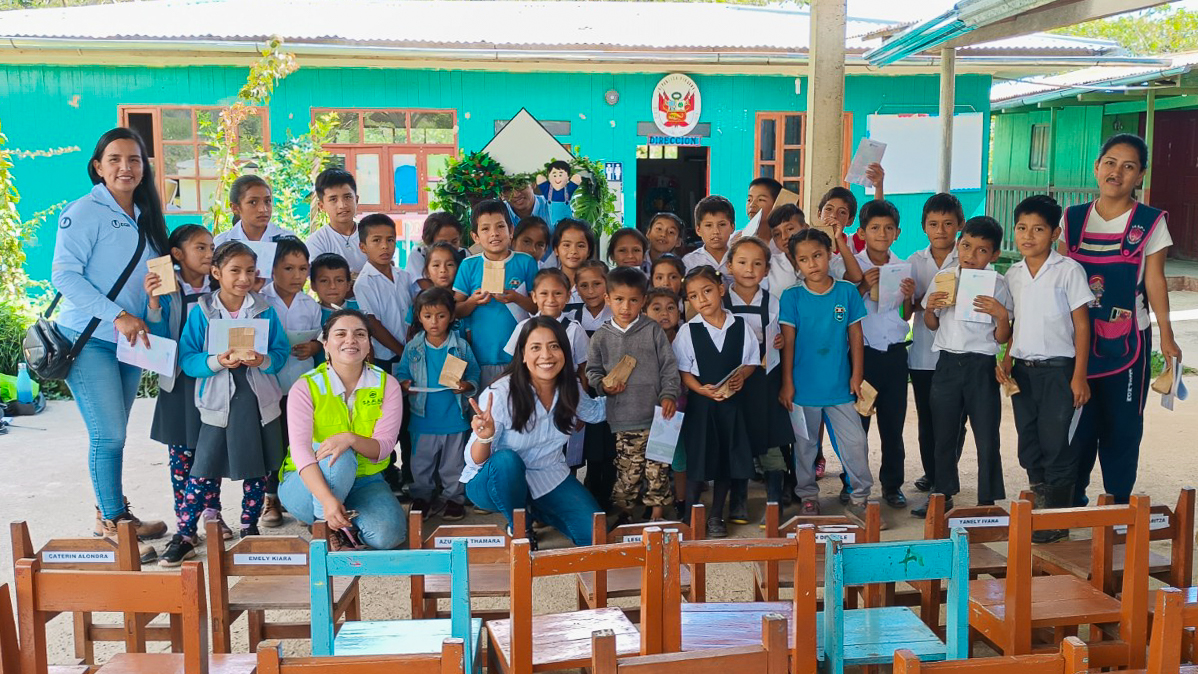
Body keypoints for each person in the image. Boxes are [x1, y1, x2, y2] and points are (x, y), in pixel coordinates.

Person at [52, 127, 170, 562]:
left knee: (116, 435)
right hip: (89, 340)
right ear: (98, 167)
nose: (126, 167)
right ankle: (112, 524)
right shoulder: (83, 212)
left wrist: (151, 310)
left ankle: (117, 513)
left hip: (130, 343)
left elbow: (153, 297)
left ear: (144, 168)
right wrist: (117, 314)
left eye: (135, 159)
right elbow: (64, 275)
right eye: (115, 159)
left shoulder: (148, 216)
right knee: (110, 434)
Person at [1063, 134, 1183, 506]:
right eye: (1111, 163)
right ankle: (1072, 501)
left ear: (1140, 176)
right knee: (1078, 425)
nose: (1117, 172)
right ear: (1097, 167)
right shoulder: (1073, 218)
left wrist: (1167, 335)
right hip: (1078, 340)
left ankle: (1117, 505)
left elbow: (1155, 280)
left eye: (1129, 166)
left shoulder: (1150, 222)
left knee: (1123, 427)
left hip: (1129, 342)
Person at [170, 241, 290, 563]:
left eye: (249, 271)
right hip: (217, 403)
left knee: (257, 468)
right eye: (234, 270)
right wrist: (216, 361)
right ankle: (184, 533)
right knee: (203, 469)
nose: (243, 278)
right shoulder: (202, 312)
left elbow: (280, 355)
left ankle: (249, 529)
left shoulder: (265, 310)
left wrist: (263, 360)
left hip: (257, 401)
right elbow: (188, 357)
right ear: (216, 272)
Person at [462, 317, 607, 547]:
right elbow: (475, 460)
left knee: (596, 536)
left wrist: (636, 391)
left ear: (564, 351)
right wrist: (485, 436)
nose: (546, 355)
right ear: (522, 354)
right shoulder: (500, 393)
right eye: (536, 348)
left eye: (554, 346)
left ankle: (536, 509)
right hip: (494, 481)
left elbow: (597, 412)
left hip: (548, 475)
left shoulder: (571, 388)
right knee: (507, 461)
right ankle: (520, 527)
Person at [1000, 195, 1093, 543]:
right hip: (1023, 372)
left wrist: (1079, 375)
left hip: (1059, 371)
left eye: (1038, 229)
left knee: (1058, 444)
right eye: (1022, 228)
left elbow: (1082, 326)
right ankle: (1038, 509)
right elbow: (1015, 321)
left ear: (1054, 233)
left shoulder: (1068, 270)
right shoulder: (1013, 273)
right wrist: (1007, 358)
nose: (1028, 236)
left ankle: (1056, 520)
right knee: (1030, 442)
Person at [279, 309, 408, 550]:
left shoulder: (386, 384)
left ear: (369, 345)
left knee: (388, 537)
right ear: (325, 344)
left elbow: (384, 448)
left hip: (364, 482)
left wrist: (349, 438)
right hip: (308, 485)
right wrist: (327, 501)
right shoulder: (305, 387)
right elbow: (300, 451)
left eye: (360, 334)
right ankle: (324, 527)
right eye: (341, 334)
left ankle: (345, 523)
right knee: (340, 455)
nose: (351, 340)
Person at [912, 216, 1012, 517]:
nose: (971, 254)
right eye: (966, 246)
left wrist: (1001, 316)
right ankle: (942, 492)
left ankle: (987, 499)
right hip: (947, 365)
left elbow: (1002, 336)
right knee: (944, 433)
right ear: (959, 244)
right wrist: (931, 308)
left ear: (994, 255)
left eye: (982, 250)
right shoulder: (944, 277)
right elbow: (931, 324)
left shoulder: (998, 283)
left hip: (981, 366)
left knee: (986, 434)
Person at [144, 225, 232, 551]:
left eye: (212, 247)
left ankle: (212, 512)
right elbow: (154, 336)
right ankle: (185, 520)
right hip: (178, 382)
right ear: (178, 255)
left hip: (213, 378)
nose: (210, 254)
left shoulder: (219, 286)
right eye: (201, 248)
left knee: (210, 447)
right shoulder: (167, 289)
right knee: (181, 455)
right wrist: (153, 302)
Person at [778, 229, 875, 524]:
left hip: (840, 386)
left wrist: (857, 375)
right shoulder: (791, 297)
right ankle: (808, 496)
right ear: (796, 265)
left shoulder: (846, 291)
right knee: (805, 446)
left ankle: (860, 497)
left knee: (855, 441)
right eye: (804, 259)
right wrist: (787, 383)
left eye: (817, 255)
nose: (812, 264)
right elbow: (789, 342)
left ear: (829, 254)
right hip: (803, 387)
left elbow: (855, 336)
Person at [834, 200, 914, 510]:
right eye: (875, 228)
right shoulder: (849, 265)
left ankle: (892, 485)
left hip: (894, 356)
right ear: (862, 232)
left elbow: (906, 316)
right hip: (861, 357)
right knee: (856, 427)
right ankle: (851, 481)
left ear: (897, 233)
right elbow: (840, 309)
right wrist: (862, 287)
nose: (882, 233)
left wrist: (909, 298)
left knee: (893, 426)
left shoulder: (904, 266)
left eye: (888, 228)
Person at [587, 267, 681, 524]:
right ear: (607, 298)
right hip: (624, 415)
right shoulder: (601, 337)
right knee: (628, 468)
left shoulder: (653, 331)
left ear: (643, 301)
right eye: (619, 299)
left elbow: (669, 367)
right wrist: (603, 387)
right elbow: (592, 371)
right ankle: (626, 513)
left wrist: (669, 395)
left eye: (633, 300)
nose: (625, 306)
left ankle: (658, 515)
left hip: (660, 415)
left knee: (658, 469)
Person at [674, 266, 760, 538]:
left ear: (721, 289)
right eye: (694, 296)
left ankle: (715, 517)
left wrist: (742, 377)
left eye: (707, 291)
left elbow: (751, 362)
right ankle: (690, 515)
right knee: (698, 461)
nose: (703, 299)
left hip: (731, 407)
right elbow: (683, 371)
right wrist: (700, 389)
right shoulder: (689, 331)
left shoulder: (740, 327)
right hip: (702, 408)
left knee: (726, 461)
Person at [395, 288, 481, 521]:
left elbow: (474, 373)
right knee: (421, 463)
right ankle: (423, 496)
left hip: (454, 416)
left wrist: (466, 385)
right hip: (422, 417)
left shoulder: (460, 346)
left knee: (453, 465)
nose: (434, 322)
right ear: (419, 317)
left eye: (441, 315)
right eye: (428, 316)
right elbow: (402, 370)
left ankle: (454, 499)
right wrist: (403, 383)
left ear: (452, 316)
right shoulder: (414, 346)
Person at [725, 237, 793, 525]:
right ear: (729, 266)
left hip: (766, 381)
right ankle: (738, 500)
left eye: (757, 264)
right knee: (738, 439)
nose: (749, 269)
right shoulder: (721, 300)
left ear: (766, 270)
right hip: (734, 381)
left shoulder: (773, 302)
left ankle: (775, 500)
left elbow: (784, 338)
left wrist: (778, 340)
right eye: (742, 262)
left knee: (772, 440)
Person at [259, 237, 323, 528]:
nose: (297, 276)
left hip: (301, 386)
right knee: (272, 442)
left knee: (299, 440)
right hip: (267, 385)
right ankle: (271, 498)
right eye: (288, 268)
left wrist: (314, 347)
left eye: (303, 268)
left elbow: (321, 339)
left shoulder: (310, 305)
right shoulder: (260, 301)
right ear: (272, 270)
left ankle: (300, 494)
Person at [906, 194, 967, 496]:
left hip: (957, 354)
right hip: (923, 355)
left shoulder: (969, 258)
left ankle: (947, 473)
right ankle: (932, 474)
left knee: (955, 420)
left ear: (960, 225)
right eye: (933, 224)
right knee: (927, 419)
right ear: (924, 227)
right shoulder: (914, 262)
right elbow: (907, 307)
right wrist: (920, 301)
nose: (941, 230)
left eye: (947, 223)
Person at [453, 199, 539, 391]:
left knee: (520, 411)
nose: (494, 233)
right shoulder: (469, 265)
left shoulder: (526, 262)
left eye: (500, 226)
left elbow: (537, 308)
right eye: (485, 229)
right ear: (475, 237)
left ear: (511, 230)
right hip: (481, 356)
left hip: (521, 355)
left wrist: (515, 297)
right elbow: (456, 310)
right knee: (486, 410)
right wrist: (473, 301)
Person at [353, 214, 418, 374]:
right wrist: (402, 352)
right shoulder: (364, 282)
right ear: (363, 247)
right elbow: (373, 325)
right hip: (385, 356)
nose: (385, 246)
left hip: (410, 349)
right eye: (376, 240)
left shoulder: (404, 276)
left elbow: (412, 310)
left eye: (390, 240)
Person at [644, 286, 687, 517]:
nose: (664, 314)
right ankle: (656, 511)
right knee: (656, 460)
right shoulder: (643, 339)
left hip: (678, 409)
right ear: (645, 311)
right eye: (656, 308)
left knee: (679, 460)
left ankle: (682, 502)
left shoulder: (685, 336)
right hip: (649, 409)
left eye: (671, 308)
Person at [306, 168, 367, 273]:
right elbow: (322, 281)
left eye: (347, 197)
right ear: (322, 206)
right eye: (333, 199)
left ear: (356, 200)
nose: (342, 205)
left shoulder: (372, 235)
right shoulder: (317, 242)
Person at [213, 175, 296, 245]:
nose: (263, 209)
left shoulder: (288, 240)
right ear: (235, 208)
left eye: (267, 201)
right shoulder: (221, 243)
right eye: (253, 202)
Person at [683, 196, 735, 278]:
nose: (716, 231)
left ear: (732, 227)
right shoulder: (689, 262)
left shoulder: (740, 259)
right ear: (698, 230)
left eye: (722, 224)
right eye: (708, 225)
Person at [406, 212, 465, 284]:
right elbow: (426, 287)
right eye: (443, 243)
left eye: (454, 242)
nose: (450, 248)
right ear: (428, 241)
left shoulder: (464, 254)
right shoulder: (418, 255)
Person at [765, 204, 806, 300]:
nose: (784, 237)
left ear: (805, 227)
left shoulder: (822, 258)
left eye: (790, 229)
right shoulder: (769, 265)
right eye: (777, 234)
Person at [310, 253, 358, 324]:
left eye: (339, 280)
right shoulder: (310, 314)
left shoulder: (360, 307)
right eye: (324, 281)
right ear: (313, 286)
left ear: (348, 285)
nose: (332, 286)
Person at [548, 218, 597, 284]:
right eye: (566, 245)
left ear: (589, 251)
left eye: (580, 246)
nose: (573, 251)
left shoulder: (596, 282)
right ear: (556, 250)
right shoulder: (548, 281)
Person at [745, 177, 782, 244]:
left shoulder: (784, 242)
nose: (752, 205)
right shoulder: (736, 240)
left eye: (761, 200)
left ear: (776, 204)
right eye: (749, 200)